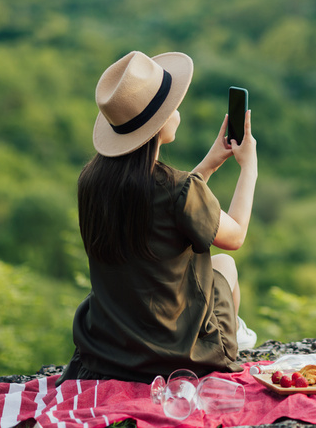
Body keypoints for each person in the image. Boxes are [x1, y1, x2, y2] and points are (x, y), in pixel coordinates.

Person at [56, 50, 258, 385]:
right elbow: (234, 237)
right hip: (177, 355)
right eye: (173, 106)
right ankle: (226, 341)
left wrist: (208, 165)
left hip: (111, 350)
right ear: (161, 122)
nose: (177, 110)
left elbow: (168, 208)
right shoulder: (177, 189)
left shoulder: (92, 182)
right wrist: (248, 167)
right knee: (225, 267)